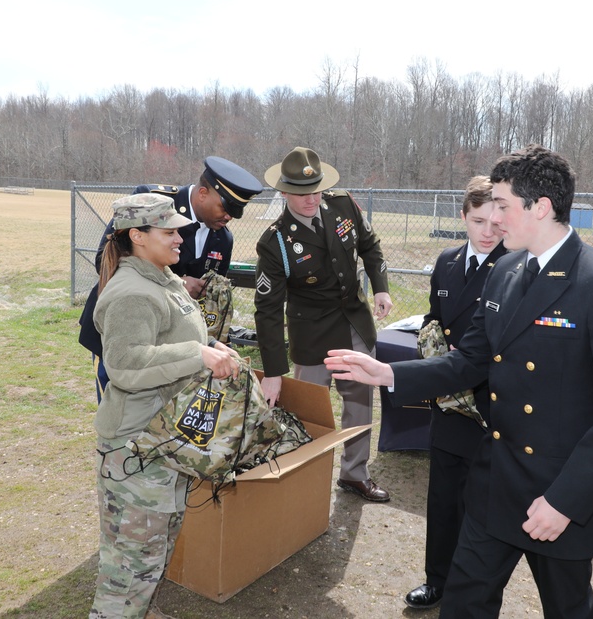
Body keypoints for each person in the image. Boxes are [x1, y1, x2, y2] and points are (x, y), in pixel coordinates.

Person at [325, 144, 593, 618]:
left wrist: (565, 501)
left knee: (568, 608)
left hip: (558, 493)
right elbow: (470, 361)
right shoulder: (505, 271)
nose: (494, 219)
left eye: (503, 205)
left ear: (540, 208)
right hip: (497, 481)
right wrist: (388, 373)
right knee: (464, 603)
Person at [89, 193, 243, 619]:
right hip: (135, 444)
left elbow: (169, 338)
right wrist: (198, 354)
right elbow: (124, 364)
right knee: (130, 563)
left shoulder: (161, 277)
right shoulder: (131, 292)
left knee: (154, 549)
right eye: (170, 231)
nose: (181, 237)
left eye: (179, 229)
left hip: (162, 439)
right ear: (137, 236)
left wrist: (210, 346)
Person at [254, 146, 392, 502]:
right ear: (284, 192)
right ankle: (304, 483)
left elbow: (369, 245)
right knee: (308, 414)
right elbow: (267, 309)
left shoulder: (343, 204)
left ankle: (354, 474)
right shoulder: (275, 242)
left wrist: (380, 288)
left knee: (360, 403)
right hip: (312, 335)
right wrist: (273, 371)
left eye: (315, 190)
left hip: (355, 324)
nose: (311, 199)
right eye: (301, 194)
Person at [78, 156, 263, 400]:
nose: (229, 217)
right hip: (124, 331)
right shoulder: (154, 203)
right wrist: (179, 283)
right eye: (225, 208)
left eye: (234, 212)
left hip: (174, 344)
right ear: (203, 194)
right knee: (118, 410)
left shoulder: (223, 239)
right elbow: (105, 260)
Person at [405, 175, 508, 610]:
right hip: (448, 403)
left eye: (496, 223)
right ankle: (437, 580)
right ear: (462, 217)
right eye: (478, 220)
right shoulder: (447, 262)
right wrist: (432, 344)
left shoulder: (515, 266)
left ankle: (469, 592)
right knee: (443, 499)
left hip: (490, 404)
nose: (487, 231)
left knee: (479, 506)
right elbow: (434, 317)